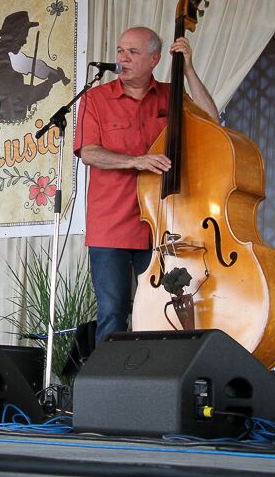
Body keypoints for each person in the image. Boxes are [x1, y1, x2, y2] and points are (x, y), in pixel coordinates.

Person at [74, 26, 220, 343]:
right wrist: (136, 160)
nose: (123, 58)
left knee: (160, 309)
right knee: (112, 311)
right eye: (120, 51)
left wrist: (189, 69)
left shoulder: (171, 95)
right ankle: (109, 375)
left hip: (160, 225)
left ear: (154, 59)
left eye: (133, 52)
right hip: (110, 224)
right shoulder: (95, 99)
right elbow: (88, 153)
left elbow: (212, 121)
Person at [0, 11, 69, 123]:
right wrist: (49, 82)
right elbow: (20, 95)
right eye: (24, 36)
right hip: (6, 121)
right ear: (15, 35)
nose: (25, 41)